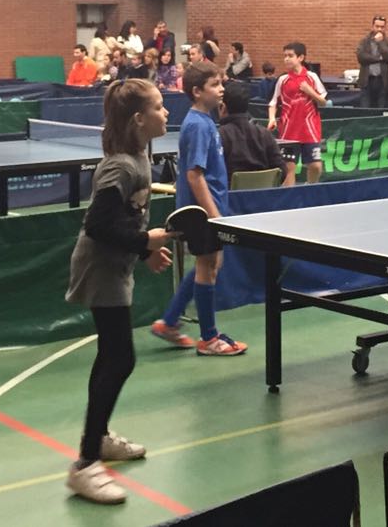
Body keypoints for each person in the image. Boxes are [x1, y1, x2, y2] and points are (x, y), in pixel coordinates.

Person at [64, 78, 175, 505]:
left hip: (117, 265)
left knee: (112, 357)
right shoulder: (121, 167)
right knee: (120, 357)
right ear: (139, 119)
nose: (166, 112)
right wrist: (145, 241)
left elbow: (124, 218)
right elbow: (97, 225)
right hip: (100, 269)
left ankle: (99, 438)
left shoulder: (141, 156)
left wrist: (143, 251)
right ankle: (86, 463)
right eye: (160, 106)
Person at [151, 61, 249, 357]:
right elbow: (194, 175)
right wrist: (214, 216)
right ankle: (209, 338)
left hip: (209, 206)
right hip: (202, 211)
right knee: (208, 267)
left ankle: (169, 322)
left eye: (221, 84)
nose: (221, 90)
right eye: (214, 85)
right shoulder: (196, 125)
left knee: (210, 264)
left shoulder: (206, 121)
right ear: (197, 91)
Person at [266, 42, 327, 185]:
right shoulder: (283, 80)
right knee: (289, 169)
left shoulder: (312, 77)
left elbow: (323, 102)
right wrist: (271, 119)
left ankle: (310, 188)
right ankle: (290, 197)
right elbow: (273, 103)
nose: (286, 59)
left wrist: (310, 91)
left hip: (310, 130)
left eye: (290, 56)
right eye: (285, 56)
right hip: (288, 132)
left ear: (301, 57)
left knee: (316, 166)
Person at [217, 81, 285, 176]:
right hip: (264, 185)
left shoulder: (219, 135)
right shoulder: (265, 134)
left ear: (223, 107)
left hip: (230, 186)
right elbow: (282, 171)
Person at [356, 16, 388, 108]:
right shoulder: (364, 41)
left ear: (385, 28)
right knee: (365, 108)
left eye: (382, 27)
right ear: (372, 26)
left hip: (383, 81)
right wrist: (380, 59)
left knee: (381, 109)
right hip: (367, 80)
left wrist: (380, 42)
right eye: (377, 26)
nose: (379, 29)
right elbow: (361, 57)